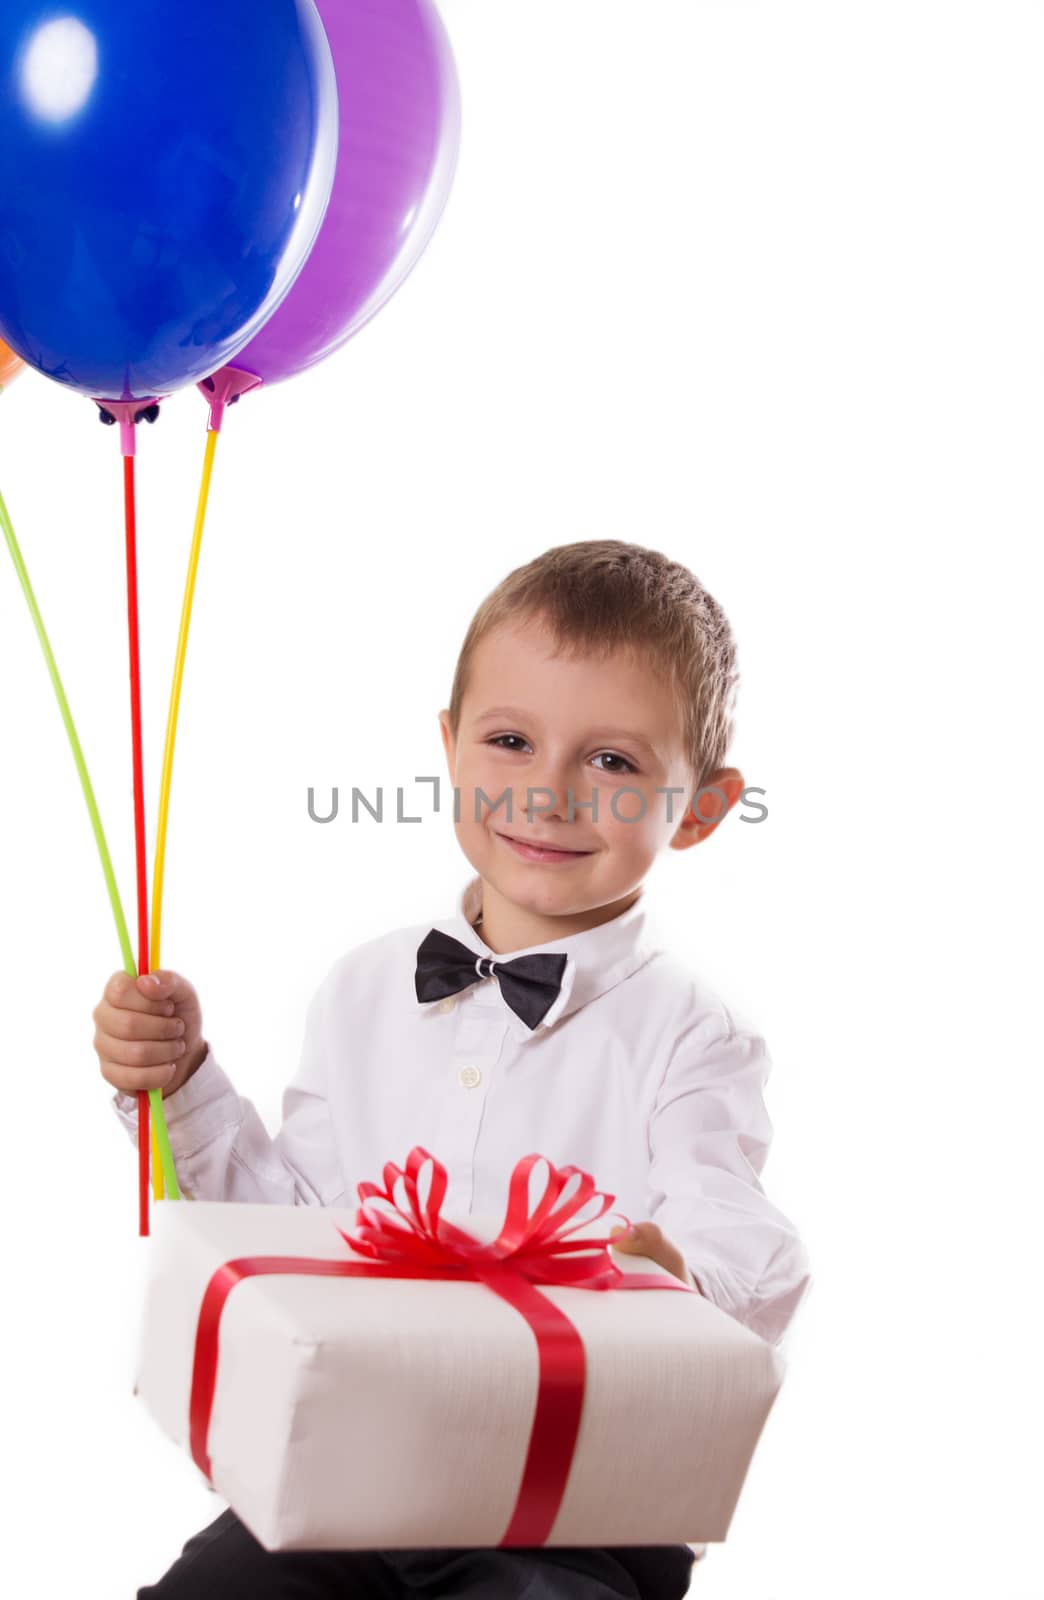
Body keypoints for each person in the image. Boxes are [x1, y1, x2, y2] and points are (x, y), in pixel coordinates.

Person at [94, 540, 813, 1599]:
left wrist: (675, 1271)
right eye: (511, 740)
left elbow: (743, 1234)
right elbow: (297, 1225)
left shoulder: (691, 1033)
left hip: (576, 1506)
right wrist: (183, 1077)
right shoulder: (361, 988)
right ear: (449, 744)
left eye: (612, 761)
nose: (550, 791)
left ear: (698, 807)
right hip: (355, 1471)